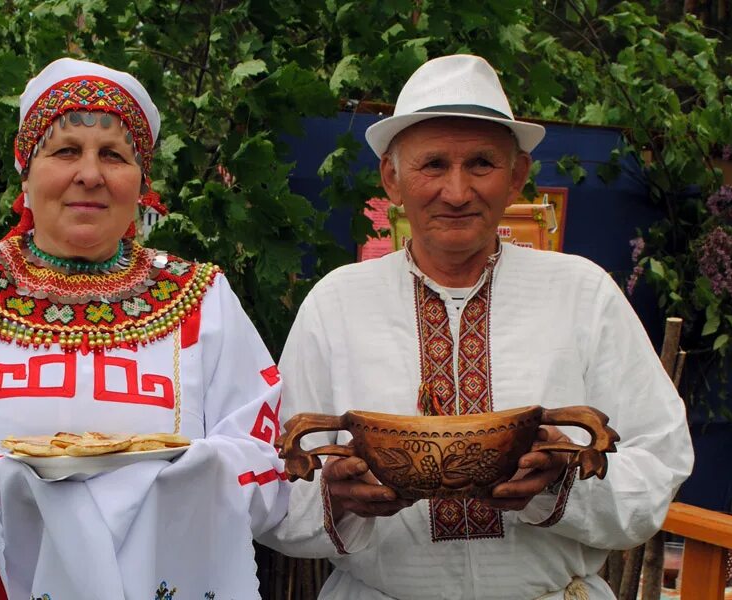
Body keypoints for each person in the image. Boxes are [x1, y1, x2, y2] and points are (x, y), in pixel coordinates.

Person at [0, 58, 288, 599]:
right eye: (64, 151)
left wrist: (158, 496)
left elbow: (266, 464)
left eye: (113, 155)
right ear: (25, 170)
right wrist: (26, 493)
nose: (90, 174)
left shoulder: (203, 298)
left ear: (141, 182)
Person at [262, 55, 693, 599]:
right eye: (433, 165)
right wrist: (337, 499)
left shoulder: (582, 293)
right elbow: (277, 474)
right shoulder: (337, 302)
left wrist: (561, 487)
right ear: (391, 179)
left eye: (482, 164)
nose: (458, 192)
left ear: (517, 176)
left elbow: (659, 462)